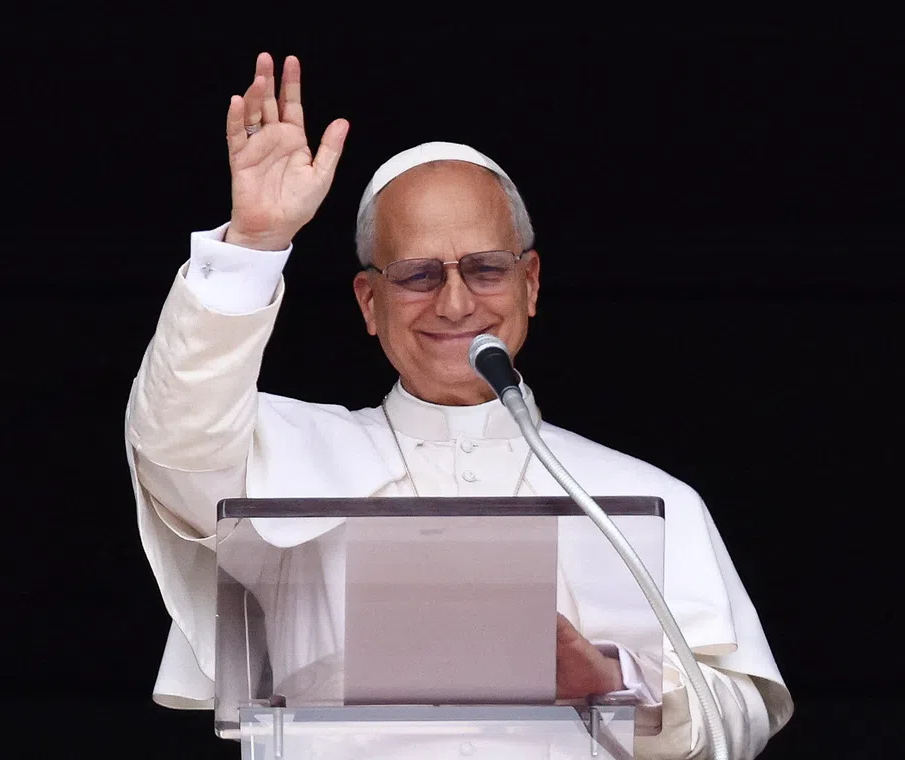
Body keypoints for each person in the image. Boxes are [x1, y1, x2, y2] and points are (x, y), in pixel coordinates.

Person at [124, 51, 793, 758]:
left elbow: (737, 722)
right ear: (368, 303)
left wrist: (609, 680)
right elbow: (176, 442)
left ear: (530, 282)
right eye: (416, 274)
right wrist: (255, 245)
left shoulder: (643, 496)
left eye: (485, 268)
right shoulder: (284, 461)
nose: (454, 302)